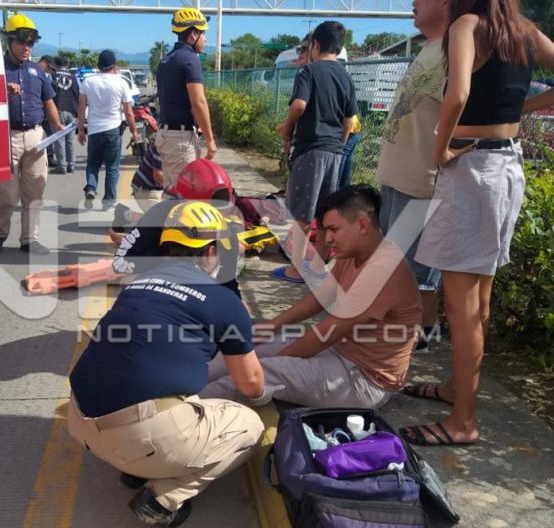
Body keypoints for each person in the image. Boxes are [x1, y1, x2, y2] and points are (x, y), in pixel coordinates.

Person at [401, 0, 554, 447]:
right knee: (478, 298)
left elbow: (459, 93)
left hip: (471, 167)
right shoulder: (522, 29)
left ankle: (462, 421)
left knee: (462, 306)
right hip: (506, 167)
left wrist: (440, 150)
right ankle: (457, 389)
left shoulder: (467, 24)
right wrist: (521, 109)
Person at [68, 201, 265, 527]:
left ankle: (135, 469)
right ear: (212, 251)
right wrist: (263, 397)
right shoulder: (223, 300)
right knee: (250, 427)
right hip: (141, 439)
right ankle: (162, 499)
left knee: (154, 385)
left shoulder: (136, 285)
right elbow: (251, 383)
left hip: (80, 422)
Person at [204, 185, 422, 409]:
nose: (327, 239)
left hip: (364, 378)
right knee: (247, 346)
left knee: (260, 371)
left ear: (363, 225)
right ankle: (192, 381)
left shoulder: (383, 269)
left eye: (334, 229)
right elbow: (321, 297)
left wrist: (279, 360)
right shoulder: (354, 250)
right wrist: (270, 326)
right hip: (337, 350)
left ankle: (191, 406)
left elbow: (326, 334)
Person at [375, 0, 448, 354]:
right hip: (397, 177)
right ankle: (407, 330)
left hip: (422, 183)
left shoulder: (456, 50)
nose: (413, 3)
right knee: (398, 266)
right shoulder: (429, 48)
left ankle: (421, 337)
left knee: (418, 273)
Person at [275, 21, 358, 283]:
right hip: (335, 152)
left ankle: (295, 269)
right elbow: (349, 121)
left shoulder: (308, 72)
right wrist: (339, 145)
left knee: (302, 212)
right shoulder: (346, 77)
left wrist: (287, 129)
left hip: (310, 150)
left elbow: (299, 105)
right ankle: (318, 267)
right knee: (324, 213)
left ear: (316, 45)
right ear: (340, 48)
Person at [0, 14, 63, 256]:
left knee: (35, 192)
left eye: (30, 43)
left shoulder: (37, 70)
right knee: (7, 193)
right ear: (9, 41)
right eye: (21, 42)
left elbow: (48, 100)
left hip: (36, 137)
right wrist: (2, 91)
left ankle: (29, 239)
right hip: (6, 138)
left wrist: (58, 125)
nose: (26, 48)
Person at [111, 159, 243, 298]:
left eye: (220, 210)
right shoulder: (159, 216)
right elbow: (120, 263)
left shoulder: (226, 232)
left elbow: (230, 284)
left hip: (201, 296)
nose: (216, 216)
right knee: (127, 281)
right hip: (158, 286)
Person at [155, 8, 217, 190]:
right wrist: (210, 140)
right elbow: (198, 102)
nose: (205, 39)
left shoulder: (166, 60)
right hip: (180, 141)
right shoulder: (190, 59)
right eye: (203, 33)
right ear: (193, 34)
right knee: (185, 195)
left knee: (172, 192)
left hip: (166, 136)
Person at [77, 50, 138, 210]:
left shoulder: (87, 82)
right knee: (112, 167)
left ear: (99, 65)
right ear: (114, 65)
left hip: (94, 129)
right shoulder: (121, 83)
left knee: (93, 163)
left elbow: (81, 108)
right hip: (113, 130)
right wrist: (134, 131)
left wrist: (81, 129)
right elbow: (128, 112)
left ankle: (91, 188)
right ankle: (109, 201)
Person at [51, 55, 80, 174]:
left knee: (59, 138)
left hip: (58, 109)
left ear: (56, 65)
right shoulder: (74, 78)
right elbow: (79, 94)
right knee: (70, 139)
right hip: (72, 110)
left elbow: (49, 94)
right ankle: (71, 165)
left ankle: (62, 165)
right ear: (67, 65)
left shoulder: (53, 76)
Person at [129, 136, 164, 213]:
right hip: (148, 189)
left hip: (163, 188)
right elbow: (158, 176)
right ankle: (127, 215)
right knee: (160, 217)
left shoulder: (188, 143)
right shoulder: (163, 144)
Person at [38, 55, 58, 168]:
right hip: (37, 110)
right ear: (42, 62)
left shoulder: (49, 77)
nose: (49, 70)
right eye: (48, 67)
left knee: (49, 134)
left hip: (47, 110)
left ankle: (50, 157)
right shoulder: (32, 72)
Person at [337, 114, 361, 188]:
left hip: (347, 131)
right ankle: (345, 192)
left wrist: (341, 146)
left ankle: (337, 192)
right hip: (353, 129)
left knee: (337, 174)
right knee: (345, 172)